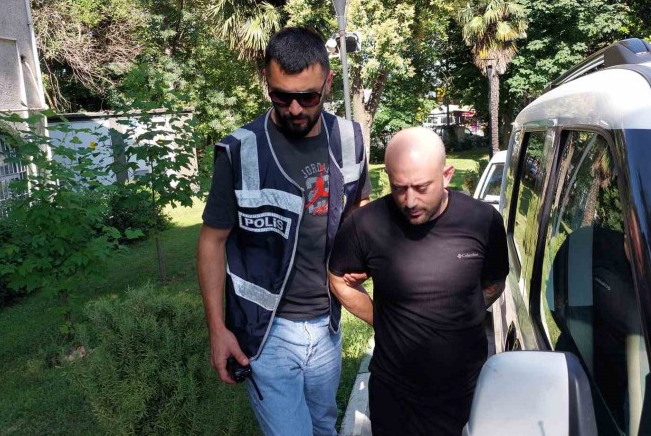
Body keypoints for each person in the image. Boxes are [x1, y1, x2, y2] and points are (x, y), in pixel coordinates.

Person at [197, 27, 371, 435]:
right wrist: (218, 330)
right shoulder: (239, 150)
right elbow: (211, 242)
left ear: (328, 82)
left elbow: (358, 209)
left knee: (324, 425)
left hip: (327, 325)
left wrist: (360, 258)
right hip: (266, 332)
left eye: (307, 97)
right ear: (267, 82)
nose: (294, 109)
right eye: (281, 96)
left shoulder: (350, 140)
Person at [328, 127, 509, 436]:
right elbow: (338, 279)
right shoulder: (365, 224)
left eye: (421, 187)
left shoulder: (482, 220)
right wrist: (381, 320)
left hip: (465, 388)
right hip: (395, 394)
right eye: (399, 188)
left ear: (447, 175)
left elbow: (494, 281)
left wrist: (461, 313)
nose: (410, 200)